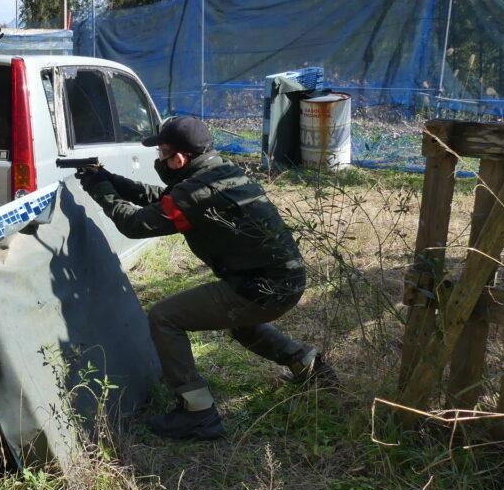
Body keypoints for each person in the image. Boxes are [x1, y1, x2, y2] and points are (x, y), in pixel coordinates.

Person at [77, 116, 336, 440]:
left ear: (179, 158)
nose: (159, 160)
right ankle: (308, 365)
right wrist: (110, 178)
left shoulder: (197, 192)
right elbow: (164, 199)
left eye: (162, 153)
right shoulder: (219, 171)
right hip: (285, 279)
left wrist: (99, 188)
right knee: (242, 324)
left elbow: (136, 224)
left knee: (164, 318)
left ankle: (197, 413)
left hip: (262, 288)